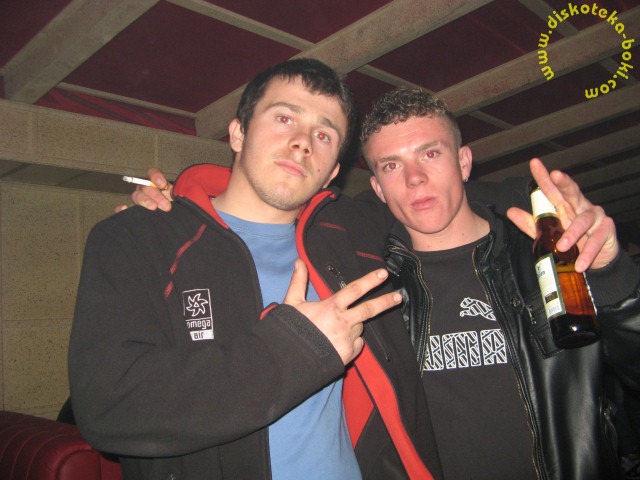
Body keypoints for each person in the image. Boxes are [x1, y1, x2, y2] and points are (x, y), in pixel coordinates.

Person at [68, 59, 443, 480]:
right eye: (284, 118)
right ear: (238, 133)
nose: (303, 143)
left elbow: (450, 198)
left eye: (324, 135)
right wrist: (299, 348)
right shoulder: (138, 238)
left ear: (333, 173)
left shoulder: (350, 237)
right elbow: (109, 405)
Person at [359, 87, 640, 479]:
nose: (414, 178)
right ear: (378, 189)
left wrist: (610, 272)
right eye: (391, 166)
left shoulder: (543, 260)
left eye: (431, 153)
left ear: (464, 162)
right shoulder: (373, 291)